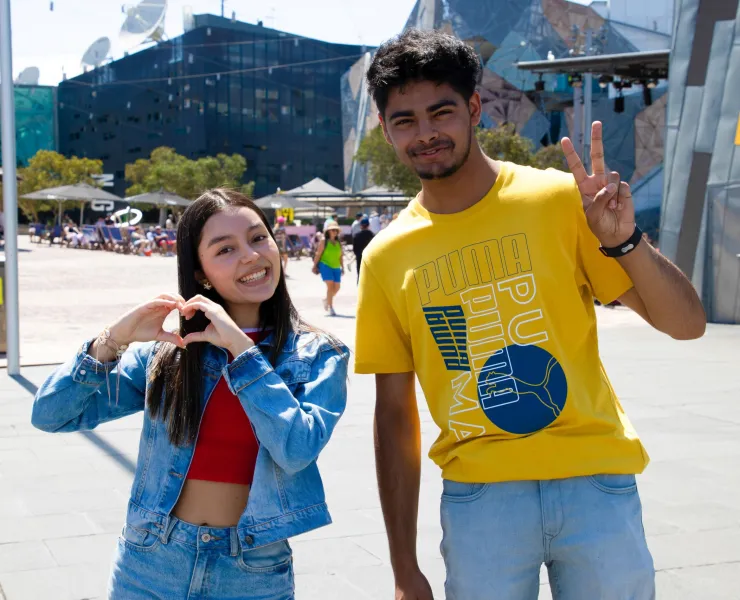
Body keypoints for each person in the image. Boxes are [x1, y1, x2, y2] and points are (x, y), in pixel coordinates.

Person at [354, 29, 707, 600]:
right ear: (386, 129)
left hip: (595, 480)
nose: (425, 134)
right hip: (479, 499)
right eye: (404, 120)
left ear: (473, 108)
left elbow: (687, 325)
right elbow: (393, 416)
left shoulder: (559, 199)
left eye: (440, 112)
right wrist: (402, 566)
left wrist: (626, 241)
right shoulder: (386, 256)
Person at [31, 188, 349, 599]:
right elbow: (51, 414)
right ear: (200, 273)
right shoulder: (169, 354)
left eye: (258, 238)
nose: (250, 256)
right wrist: (113, 339)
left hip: (251, 570)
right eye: (225, 250)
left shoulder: (319, 354)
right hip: (151, 562)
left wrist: (243, 351)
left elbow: (296, 449)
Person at [312, 220, 344, 317]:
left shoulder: (338, 242)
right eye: (332, 230)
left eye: (335, 230)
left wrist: (343, 267)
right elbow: (318, 254)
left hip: (336, 266)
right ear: (328, 232)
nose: (334, 231)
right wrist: (314, 266)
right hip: (325, 265)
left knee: (337, 287)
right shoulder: (323, 241)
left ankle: (327, 299)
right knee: (330, 286)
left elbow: (340, 256)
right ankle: (331, 307)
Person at [352, 217, 374, 282]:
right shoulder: (372, 235)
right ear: (368, 225)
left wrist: (358, 254)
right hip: (370, 257)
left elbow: (354, 249)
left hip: (359, 257)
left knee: (360, 273)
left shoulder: (356, 235)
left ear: (361, 226)